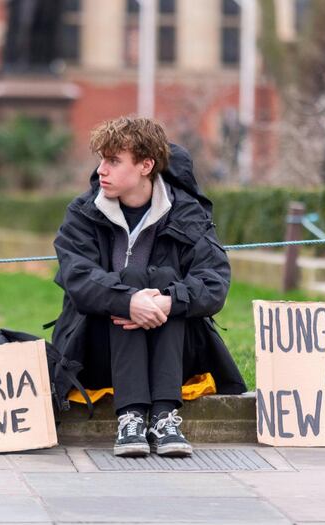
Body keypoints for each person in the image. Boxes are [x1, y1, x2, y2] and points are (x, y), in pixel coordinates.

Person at [51, 117, 247, 458]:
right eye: (101, 160)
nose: (101, 170)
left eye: (113, 161)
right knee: (132, 282)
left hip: (175, 353)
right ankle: (131, 416)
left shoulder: (188, 213)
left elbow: (215, 281)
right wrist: (129, 302)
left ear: (146, 165)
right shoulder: (83, 213)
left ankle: (163, 416)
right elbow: (77, 277)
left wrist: (167, 302)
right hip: (99, 352)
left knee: (162, 284)